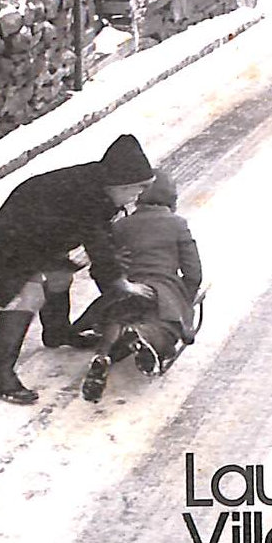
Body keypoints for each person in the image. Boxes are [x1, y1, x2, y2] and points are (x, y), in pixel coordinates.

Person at [0, 133, 155, 405]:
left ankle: (57, 332)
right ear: (118, 184)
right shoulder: (89, 195)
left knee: (60, 276)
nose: (136, 196)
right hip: (17, 235)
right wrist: (120, 285)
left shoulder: (101, 188)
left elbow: (101, 243)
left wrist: (113, 274)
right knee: (26, 295)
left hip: (45, 233)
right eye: (135, 190)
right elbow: (98, 245)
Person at [81, 167, 203, 403]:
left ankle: (104, 354)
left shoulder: (120, 226)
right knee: (164, 325)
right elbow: (193, 271)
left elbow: (103, 266)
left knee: (119, 318)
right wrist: (183, 300)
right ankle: (145, 338)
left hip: (128, 286)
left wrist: (116, 288)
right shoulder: (177, 224)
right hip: (163, 289)